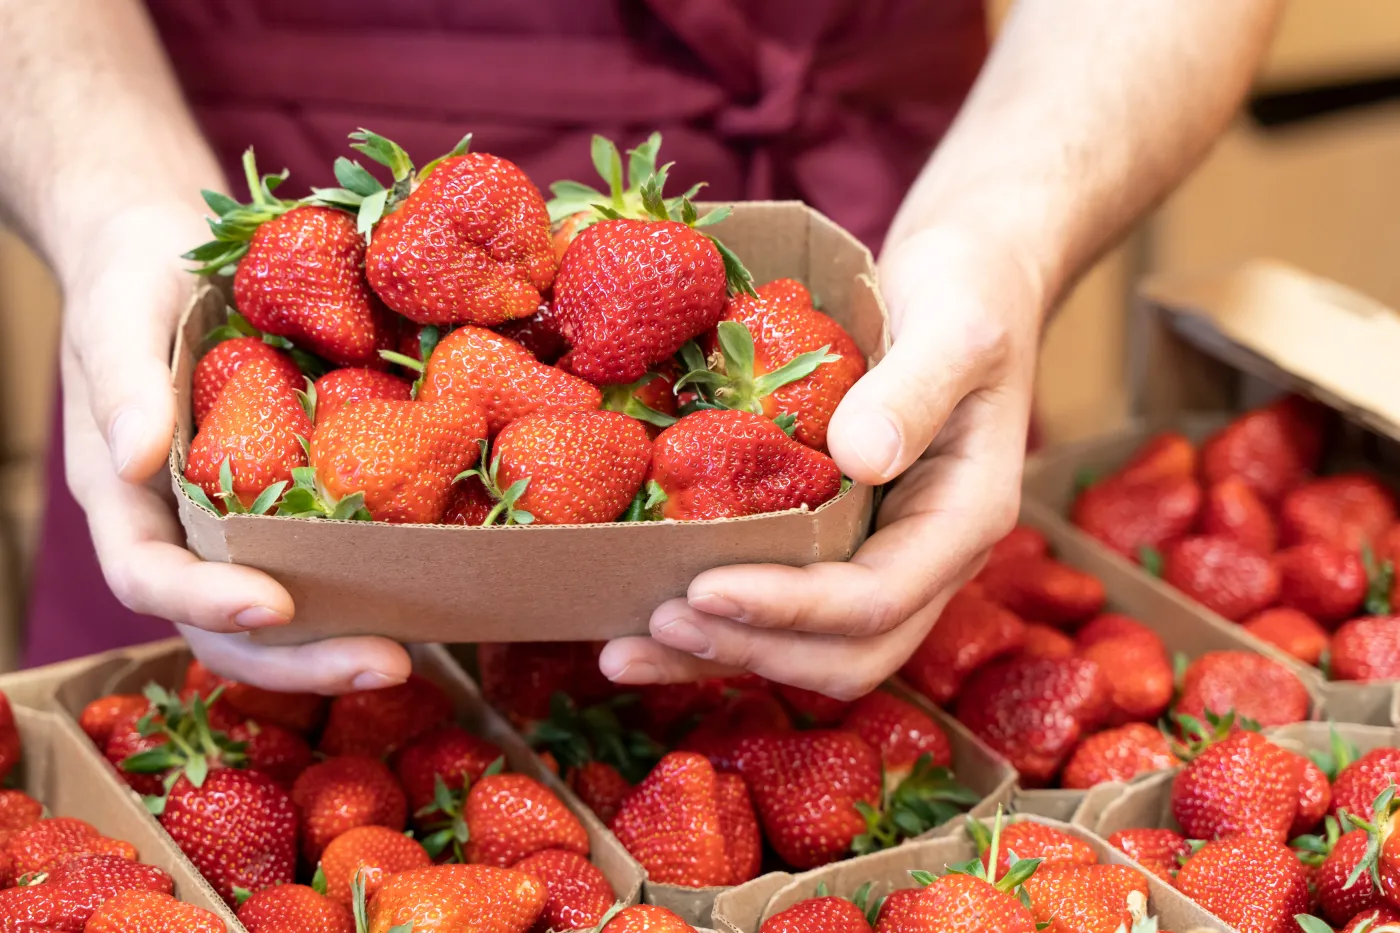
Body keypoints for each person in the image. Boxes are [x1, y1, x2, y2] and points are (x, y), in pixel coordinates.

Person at [0, 1, 1281, 697]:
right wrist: (117, 209)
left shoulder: (795, 338)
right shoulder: (301, 332)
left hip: (889, 239)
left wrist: (1001, 236)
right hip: (263, 210)